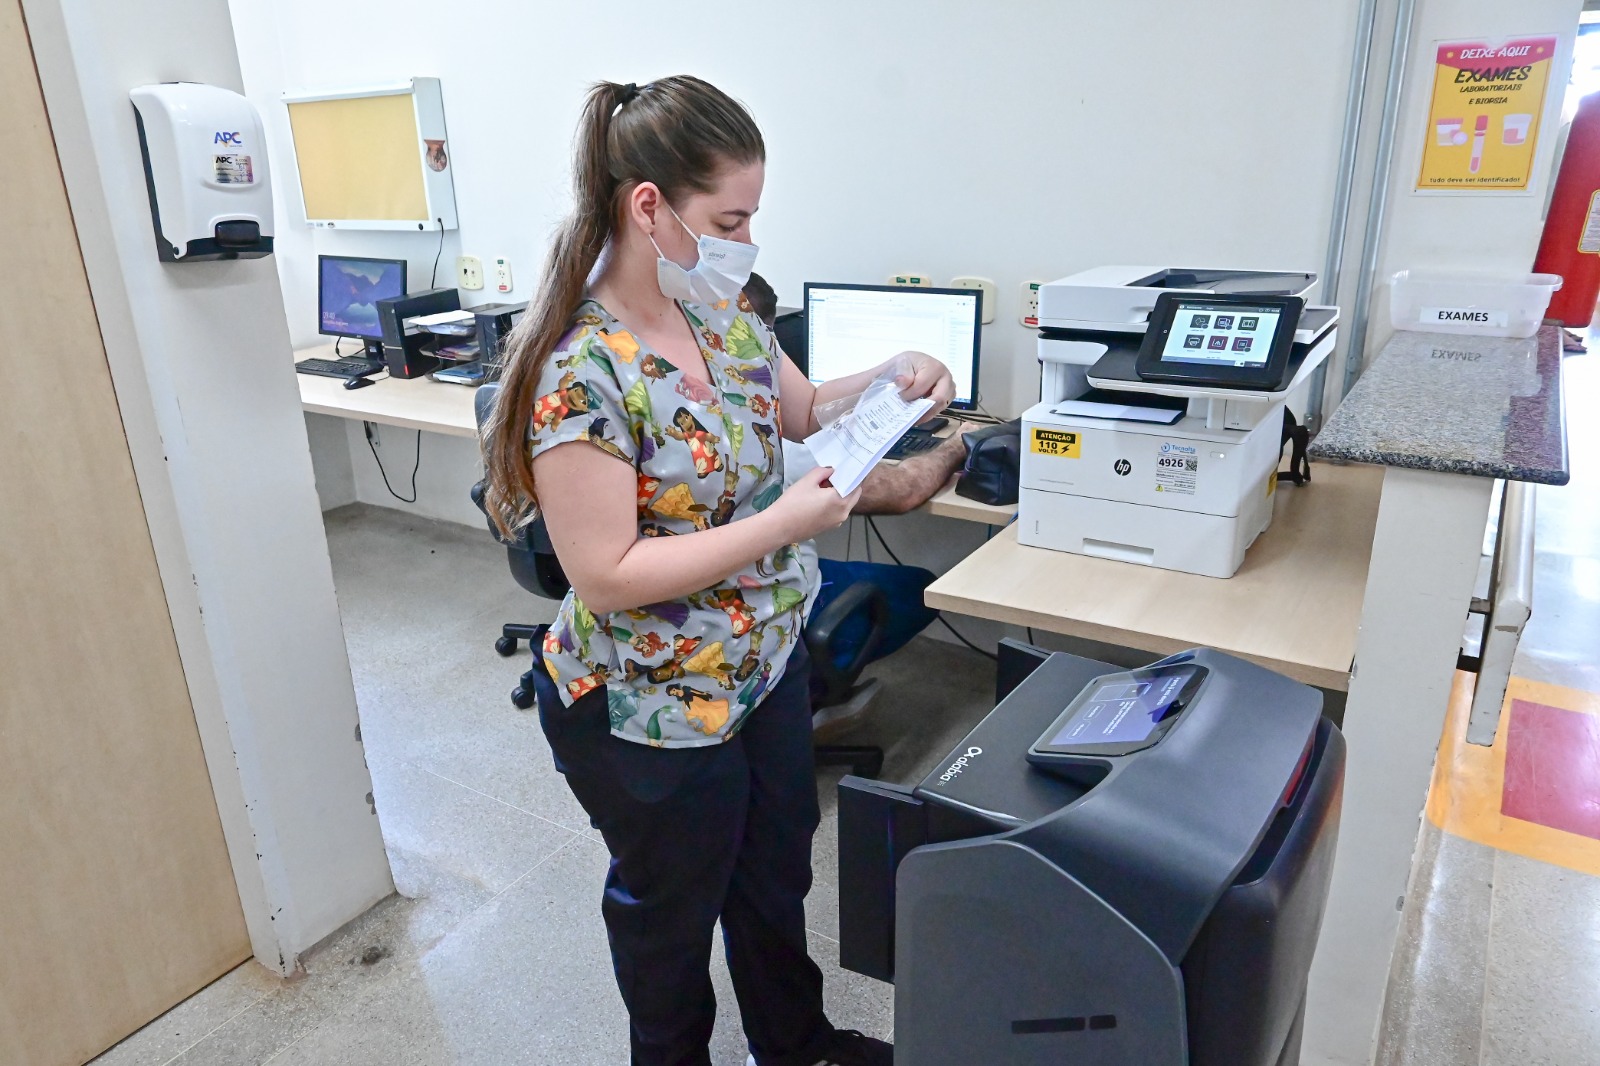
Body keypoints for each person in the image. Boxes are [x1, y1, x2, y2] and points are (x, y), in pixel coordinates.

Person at [481, 77, 954, 1066]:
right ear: (647, 205)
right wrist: (784, 520)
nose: (746, 242)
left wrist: (895, 373)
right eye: (729, 218)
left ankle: (795, 1043)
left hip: (762, 664)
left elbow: (802, 408)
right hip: (646, 698)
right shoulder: (584, 374)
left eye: (752, 218)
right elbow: (606, 572)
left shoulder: (723, 313)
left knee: (772, 879)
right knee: (670, 914)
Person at [740, 273, 974, 690]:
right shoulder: (772, 443)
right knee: (923, 586)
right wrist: (958, 445)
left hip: (757, 586)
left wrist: (890, 378)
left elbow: (811, 408)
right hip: (769, 613)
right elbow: (903, 490)